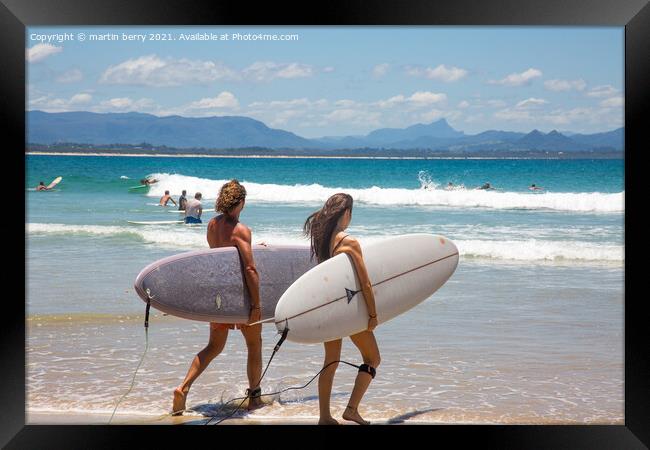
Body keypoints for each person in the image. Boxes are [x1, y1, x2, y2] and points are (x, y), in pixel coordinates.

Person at [172, 180, 265, 414]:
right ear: (241, 202)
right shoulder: (242, 230)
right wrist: (256, 304)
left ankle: (183, 388)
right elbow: (250, 269)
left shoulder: (212, 225)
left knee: (214, 346)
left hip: (219, 297)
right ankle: (254, 399)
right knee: (254, 345)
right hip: (240, 298)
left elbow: (223, 257)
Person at [303, 193, 380, 425]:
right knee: (373, 358)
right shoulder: (349, 242)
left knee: (331, 361)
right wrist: (373, 314)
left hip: (329, 308)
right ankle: (352, 409)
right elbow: (365, 282)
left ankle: (324, 417)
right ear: (346, 213)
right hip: (348, 312)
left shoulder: (322, 240)